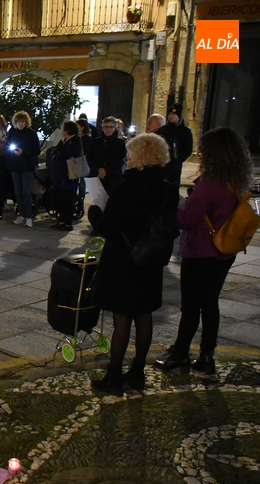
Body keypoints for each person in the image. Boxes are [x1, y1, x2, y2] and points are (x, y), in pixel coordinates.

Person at [153, 127, 250, 375]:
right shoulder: (235, 180)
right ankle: (207, 355)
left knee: (191, 306)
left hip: (201, 251)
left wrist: (181, 204)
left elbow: (186, 218)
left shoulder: (210, 183)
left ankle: (180, 353)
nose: (200, 153)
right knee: (210, 303)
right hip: (225, 251)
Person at [89, 133, 178, 395]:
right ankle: (137, 372)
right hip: (151, 259)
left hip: (124, 260)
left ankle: (114, 376)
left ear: (139, 158)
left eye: (129, 155)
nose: (126, 160)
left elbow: (108, 227)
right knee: (144, 314)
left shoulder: (126, 187)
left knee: (122, 318)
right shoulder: (168, 189)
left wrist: (95, 212)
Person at [85, 116, 127, 233]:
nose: (108, 129)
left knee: (111, 202)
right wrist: (98, 169)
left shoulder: (119, 143)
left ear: (115, 128)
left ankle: (109, 226)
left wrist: (107, 170)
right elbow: (90, 157)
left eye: (111, 127)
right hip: (97, 175)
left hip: (112, 176)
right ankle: (97, 225)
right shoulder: (96, 142)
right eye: (106, 127)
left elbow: (120, 160)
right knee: (97, 202)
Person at [6, 111, 40, 227]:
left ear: (26, 122)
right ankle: (21, 215)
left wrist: (23, 153)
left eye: (22, 122)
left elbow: (36, 150)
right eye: (18, 122)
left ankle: (29, 216)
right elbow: (8, 145)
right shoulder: (12, 132)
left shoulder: (31, 134)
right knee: (18, 192)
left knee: (26, 191)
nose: (20, 124)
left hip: (27, 167)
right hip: (15, 166)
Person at [49, 121, 84, 231]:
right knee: (60, 198)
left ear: (67, 130)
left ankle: (68, 223)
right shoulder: (64, 141)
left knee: (67, 199)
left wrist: (60, 153)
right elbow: (55, 151)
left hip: (69, 175)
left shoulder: (76, 141)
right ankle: (61, 220)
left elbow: (70, 153)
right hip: (60, 174)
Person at [163, 103, 193, 189]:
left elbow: (188, 149)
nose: (171, 116)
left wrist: (177, 160)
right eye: (170, 114)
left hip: (175, 166)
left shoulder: (185, 132)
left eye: (173, 114)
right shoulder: (164, 129)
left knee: (173, 186)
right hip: (163, 163)